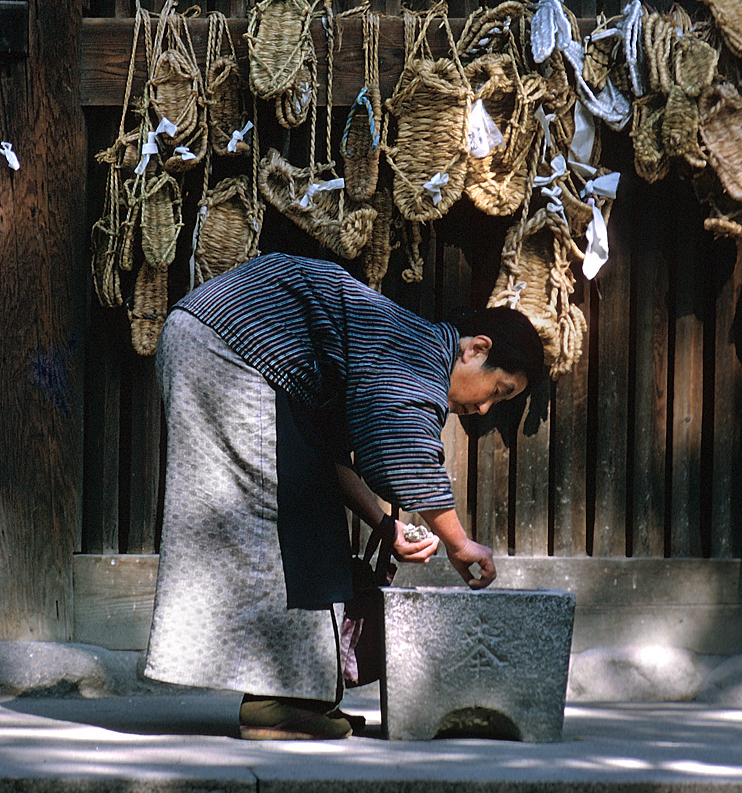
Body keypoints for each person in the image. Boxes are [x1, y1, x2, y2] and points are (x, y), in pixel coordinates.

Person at [144, 251, 544, 740]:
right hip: (229, 346)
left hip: (214, 338)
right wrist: (459, 543)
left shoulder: (396, 347)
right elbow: (404, 453)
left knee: (301, 501)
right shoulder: (418, 352)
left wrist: (384, 525)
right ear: (475, 349)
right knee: (280, 519)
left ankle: (293, 697)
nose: (482, 408)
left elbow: (327, 461)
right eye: (497, 391)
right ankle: (281, 702)